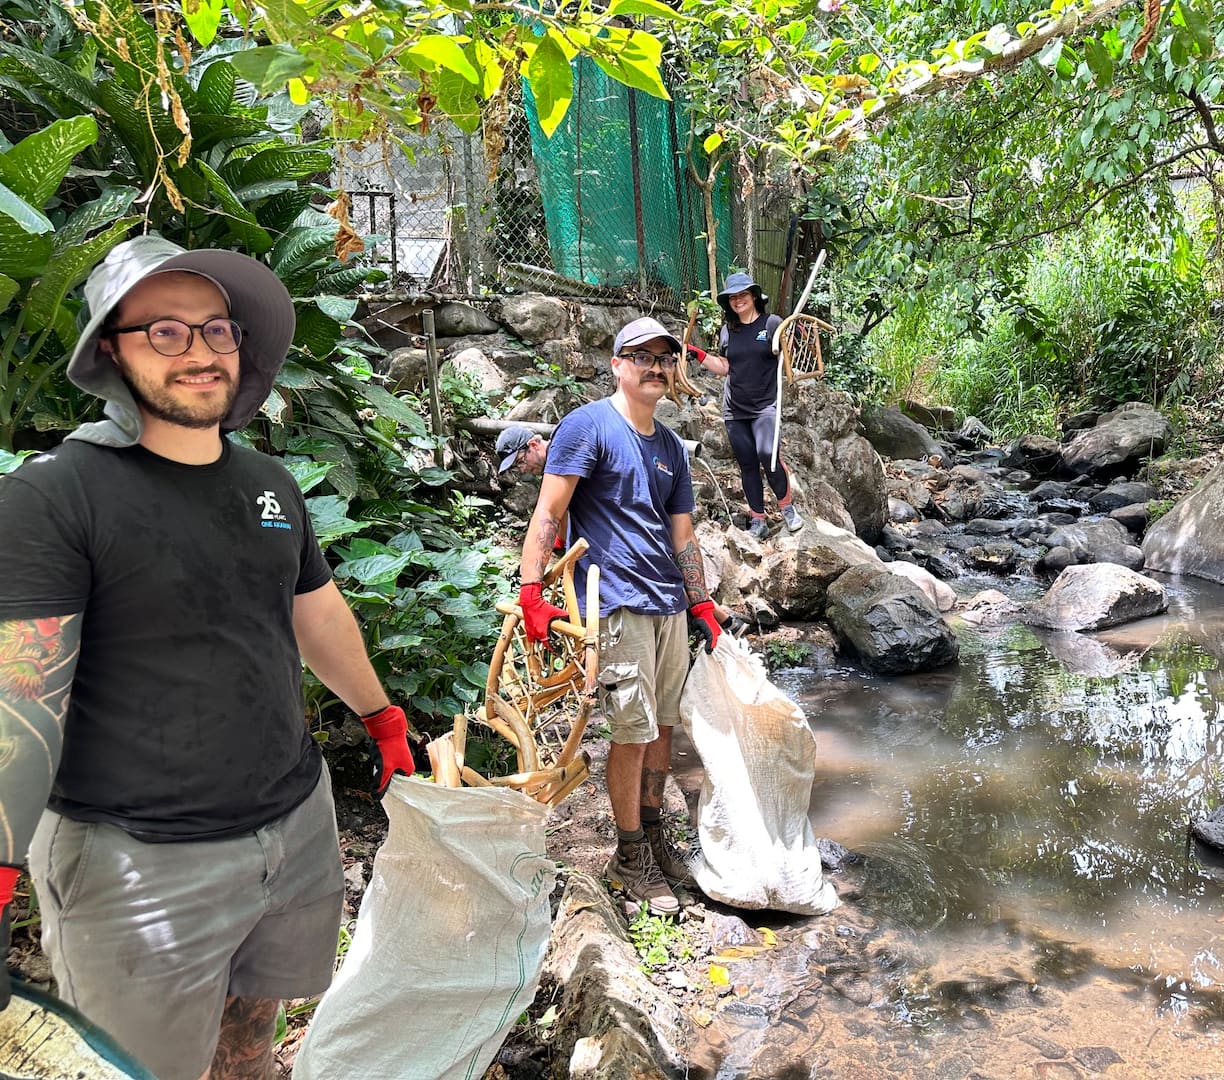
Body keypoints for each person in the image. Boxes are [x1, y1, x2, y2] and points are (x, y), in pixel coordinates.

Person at [0, 235, 415, 1080]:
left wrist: (383, 718)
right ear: (110, 350)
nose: (199, 352)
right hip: (136, 864)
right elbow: (22, 690)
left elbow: (317, 612)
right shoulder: (56, 494)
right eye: (166, 332)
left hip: (293, 826)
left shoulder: (269, 483)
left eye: (217, 330)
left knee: (250, 1041)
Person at [517, 317, 727, 916]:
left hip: (667, 608)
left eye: (664, 357)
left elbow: (682, 536)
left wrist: (701, 602)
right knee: (632, 734)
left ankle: (656, 835)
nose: (655, 367)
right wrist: (533, 589)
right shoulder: (588, 427)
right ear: (617, 365)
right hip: (617, 605)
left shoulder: (669, 449)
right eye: (641, 357)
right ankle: (627, 853)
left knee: (663, 728)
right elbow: (549, 512)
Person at [689, 271, 804, 539]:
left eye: (743, 294)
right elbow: (726, 367)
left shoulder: (772, 323)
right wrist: (698, 354)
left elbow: (790, 356)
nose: (738, 300)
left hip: (766, 405)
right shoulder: (729, 330)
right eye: (733, 297)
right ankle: (758, 520)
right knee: (748, 464)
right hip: (735, 409)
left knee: (768, 455)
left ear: (754, 296)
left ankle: (787, 509)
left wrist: (791, 340)